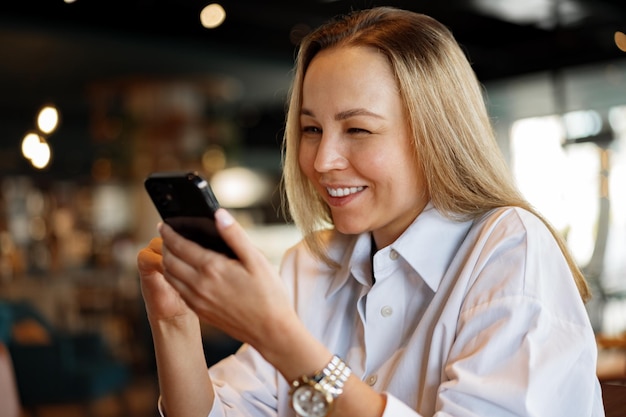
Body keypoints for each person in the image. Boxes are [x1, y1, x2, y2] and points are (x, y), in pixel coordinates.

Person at [137, 6, 605, 417]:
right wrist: (174, 322)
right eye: (312, 129)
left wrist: (278, 335)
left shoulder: (509, 250)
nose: (322, 161)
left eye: (357, 129)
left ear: (434, 135)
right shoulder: (312, 263)